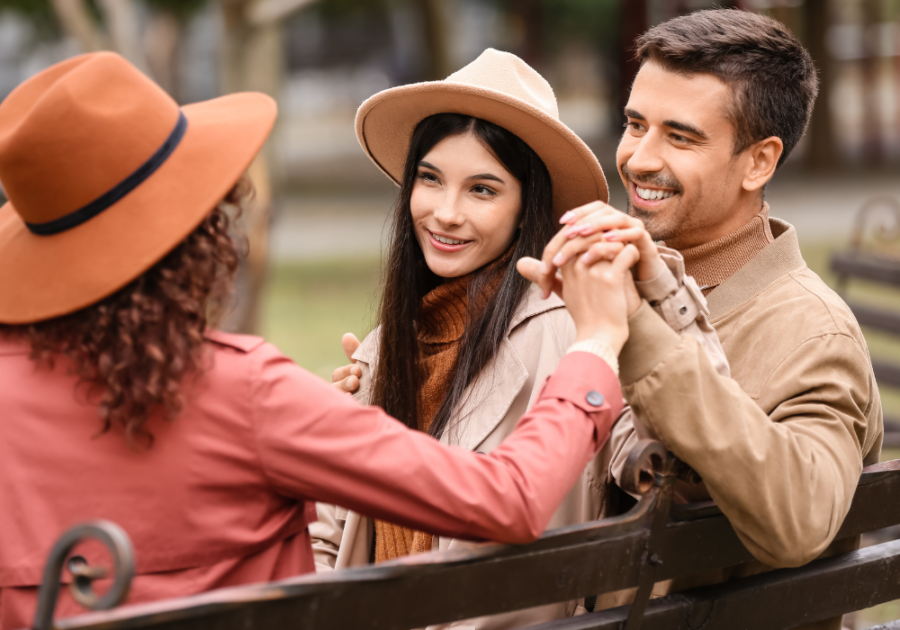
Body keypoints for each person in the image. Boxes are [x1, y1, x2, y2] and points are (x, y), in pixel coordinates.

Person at [0, 52, 637, 630]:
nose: (446, 211)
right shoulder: (244, 392)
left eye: (482, 188)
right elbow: (508, 499)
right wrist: (598, 347)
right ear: (192, 241)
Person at [317, 49, 727, 628]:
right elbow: (330, 539)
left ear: (524, 206)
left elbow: (695, 469)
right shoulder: (388, 347)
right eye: (430, 179)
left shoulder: (576, 332)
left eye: (482, 190)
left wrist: (659, 286)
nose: (445, 213)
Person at [524, 9, 883, 629]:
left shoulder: (812, 332)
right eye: (635, 124)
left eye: (680, 137)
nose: (637, 159)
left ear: (759, 162)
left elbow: (798, 520)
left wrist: (634, 328)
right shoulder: (606, 275)